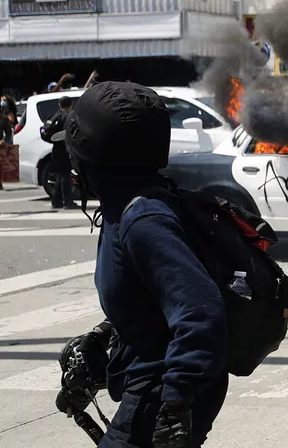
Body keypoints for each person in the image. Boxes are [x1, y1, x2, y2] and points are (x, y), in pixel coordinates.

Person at [68, 82, 230, 448]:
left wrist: (176, 402)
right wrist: (104, 335)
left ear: (90, 158)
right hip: (156, 380)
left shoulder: (143, 219)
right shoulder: (125, 203)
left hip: (162, 392)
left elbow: (200, 311)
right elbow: (151, 298)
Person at [40, 95, 75, 209]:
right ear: (71, 105)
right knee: (65, 175)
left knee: (61, 175)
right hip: (65, 148)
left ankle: (56, 201)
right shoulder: (68, 117)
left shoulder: (54, 117)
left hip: (56, 149)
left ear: (60, 105)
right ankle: (68, 202)